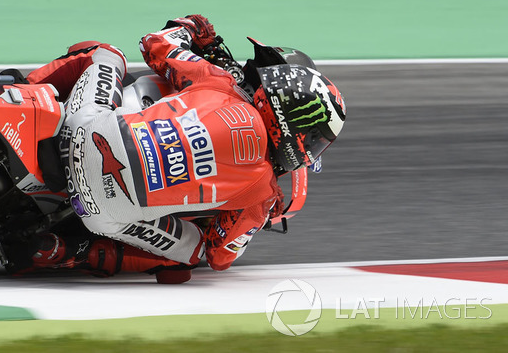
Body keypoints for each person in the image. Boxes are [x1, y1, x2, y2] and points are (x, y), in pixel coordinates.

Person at [19, 15, 347, 283]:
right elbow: (219, 256)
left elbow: (154, 43)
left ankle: (24, 95)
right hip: (103, 214)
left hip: (83, 131)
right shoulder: (262, 196)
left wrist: (189, 28)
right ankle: (67, 251)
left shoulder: (221, 83)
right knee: (193, 255)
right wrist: (257, 220)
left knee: (105, 53)